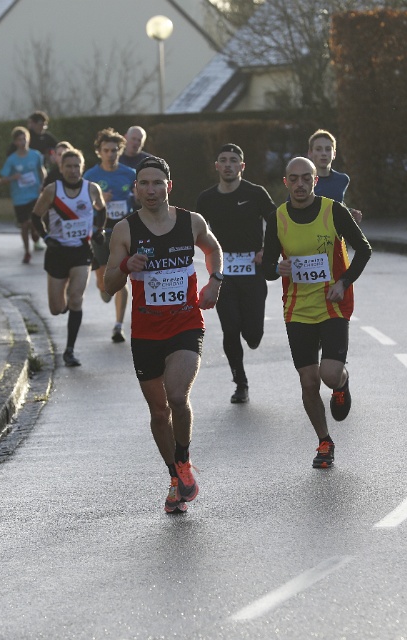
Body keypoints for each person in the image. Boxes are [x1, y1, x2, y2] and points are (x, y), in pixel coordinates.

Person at [103, 156, 224, 515]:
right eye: (144, 183)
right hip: (145, 331)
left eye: (158, 183)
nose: (151, 189)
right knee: (159, 412)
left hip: (185, 323)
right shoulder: (125, 230)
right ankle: (175, 478)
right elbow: (109, 285)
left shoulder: (191, 222)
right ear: (136, 189)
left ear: (169, 186)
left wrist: (215, 281)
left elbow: (214, 249)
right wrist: (125, 265)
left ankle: (183, 460)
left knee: (176, 395)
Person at [262, 157, 372, 469]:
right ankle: (324, 441)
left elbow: (363, 249)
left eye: (306, 178)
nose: (300, 184)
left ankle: (341, 383)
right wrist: (277, 268)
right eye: (293, 179)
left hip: (333, 303)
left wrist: (343, 282)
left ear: (315, 181)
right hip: (297, 308)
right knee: (309, 381)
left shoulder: (333, 211)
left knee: (329, 374)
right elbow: (268, 268)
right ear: (285, 182)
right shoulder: (278, 218)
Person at [195, 144, 276, 404]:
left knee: (253, 336)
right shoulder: (206, 199)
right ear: (216, 166)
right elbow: (196, 232)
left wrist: (266, 250)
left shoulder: (256, 193)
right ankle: (240, 383)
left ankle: (251, 334)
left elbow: (278, 224)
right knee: (230, 330)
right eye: (223, 160)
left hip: (253, 273)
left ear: (242, 166)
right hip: (223, 275)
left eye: (233, 160)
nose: (228, 164)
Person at [31, 148, 106, 367]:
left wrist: (99, 231)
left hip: (82, 251)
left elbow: (102, 210)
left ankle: (70, 350)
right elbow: (36, 216)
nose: (73, 171)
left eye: (76, 166)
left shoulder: (92, 189)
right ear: (61, 168)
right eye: (68, 166)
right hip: (57, 252)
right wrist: (46, 237)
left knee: (76, 298)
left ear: (82, 168)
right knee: (56, 309)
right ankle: (63, 302)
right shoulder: (52, 191)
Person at [84, 128, 137, 343]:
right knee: (105, 287)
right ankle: (103, 287)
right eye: (106, 150)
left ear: (120, 151)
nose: (110, 154)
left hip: (123, 230)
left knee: (121, 276)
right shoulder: (90, 176)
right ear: (99, 152)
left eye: (114, 150)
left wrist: (137, 197)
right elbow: (81, 206)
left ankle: (118, 326)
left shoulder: (130, 174)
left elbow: (139, 199)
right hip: (99, 232)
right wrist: (99, 201)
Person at [0, 126, 46, 264]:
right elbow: (2, 179)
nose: (23, 142)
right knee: (24, 225)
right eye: (19, 140)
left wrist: (42, 184)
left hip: (34, 194)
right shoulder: (12, 159)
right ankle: (26, 251)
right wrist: (13, 177)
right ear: (15, 142)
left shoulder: (35, 155)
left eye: (25, 139)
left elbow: (41, 170)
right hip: (19, 197)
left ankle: (35, 233)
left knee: (34, 221)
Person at [308, 129, 362, 223]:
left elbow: (337, 204)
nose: (324, 153)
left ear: (334, 154)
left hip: (336, 231)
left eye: (328, 149)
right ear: (310, 153)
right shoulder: (303, 181)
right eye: (318, 149)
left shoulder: (342, 180)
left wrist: (350, 212)